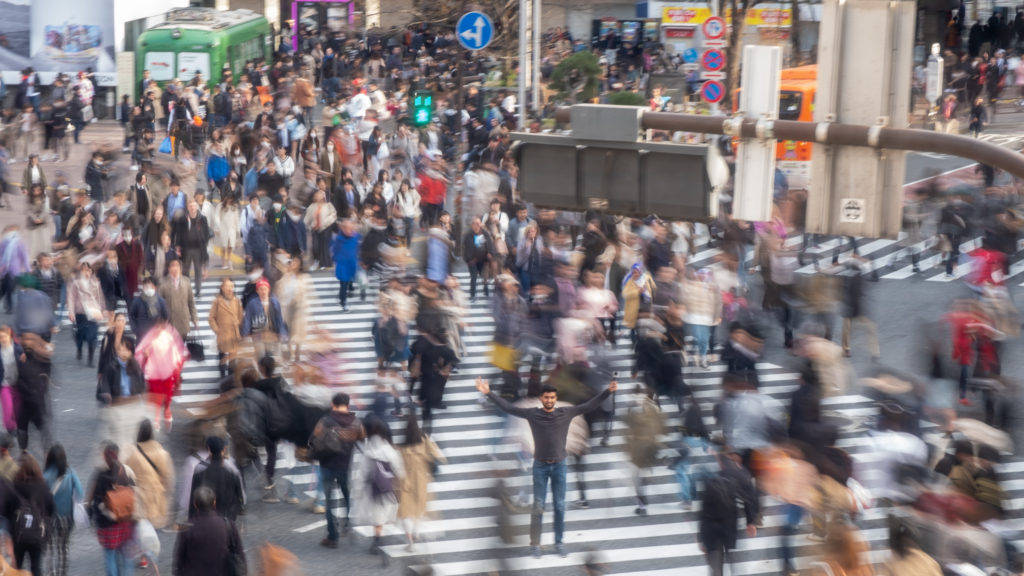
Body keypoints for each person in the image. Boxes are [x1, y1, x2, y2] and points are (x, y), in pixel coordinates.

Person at [474, 376, 617, 557]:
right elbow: (509, 408)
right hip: (540, 466)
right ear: (542, 398)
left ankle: (559, 543)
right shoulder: (533, 414)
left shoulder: (565, 412)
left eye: (552, 397)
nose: (549, 400)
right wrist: (488, 393)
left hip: (559, 466)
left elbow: (588, 406)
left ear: (555, 399)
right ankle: (535, 544)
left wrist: (608, 392)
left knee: (559, 506)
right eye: (546, 397)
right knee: (539, 506)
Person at [308, 392, 365, 549]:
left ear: (333, 404)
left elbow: (313, 438)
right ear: (348, 405)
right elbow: (362, 440)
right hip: (345, 466)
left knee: (329, 502)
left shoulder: (325, 421)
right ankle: (347, 524)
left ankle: (333, 537)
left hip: (327, 465)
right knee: (347, 496)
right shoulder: (356, 422)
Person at [698, 447, 760, 576]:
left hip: (712, 529)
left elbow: (703, 512)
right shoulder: (742, 474)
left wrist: (701, 539)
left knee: (715, 565)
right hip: (730, 524)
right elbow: (750, 500)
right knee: (733, 560)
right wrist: (750, 522)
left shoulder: (710, 480)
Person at [353, 416, 404, 555]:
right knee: (386, 511)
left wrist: (358, 490)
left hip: (374, 488)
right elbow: (399, 469)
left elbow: (363, 472)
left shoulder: (369, 452)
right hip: (389, 487)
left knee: (377, 515)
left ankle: (377, 539)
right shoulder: (389, 449)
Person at [396, 413, 445, 552]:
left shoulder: (401, 445)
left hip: (405, 481)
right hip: (422, 480)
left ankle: (410, 540)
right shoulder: (424, 439)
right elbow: (438, 455)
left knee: (405, 511)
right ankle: (416, 532)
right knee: (419, 509)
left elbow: (397, 464)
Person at [174, 485, 246, 576]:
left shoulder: (186, 528)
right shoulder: (228, 525)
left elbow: (179, 560)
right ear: (214, 503)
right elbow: (240, 554)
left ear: (195, 505)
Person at [88, 442, 136, 576]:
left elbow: (95, 500)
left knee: (110, 557)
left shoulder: (100, 475)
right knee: (127, 557)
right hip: (125, 521)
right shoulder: (125, 470)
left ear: (105, 457)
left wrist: (92, 517)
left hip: (108, 524)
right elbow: (133, 492)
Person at [8, 454, 53, 576]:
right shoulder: (43, 486)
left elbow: (8, 509)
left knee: (17, 567)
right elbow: (51, 508)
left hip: (18, 534)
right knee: (36, 566)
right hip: (37, 532)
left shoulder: (14, 486)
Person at [124, 420, 174, 530]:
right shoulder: (162, 453)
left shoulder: (132, 453)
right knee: (151, 535)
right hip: (157, 499)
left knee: (139, 533)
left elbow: (126, 475)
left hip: (139, 500)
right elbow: (168, 478)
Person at [43, 444, 84, 576]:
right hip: (67, 518)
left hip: (50, 519)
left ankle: (52, 573)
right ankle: (62, 573)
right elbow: (81, 493)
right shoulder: (71, 472)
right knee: (63, 548)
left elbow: (41, 497)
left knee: (50, 549)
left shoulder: (46, 475)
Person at [189, 436, 244, 522]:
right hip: (228, 520)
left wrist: (191, 520)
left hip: (206, 519)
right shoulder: (232, 471)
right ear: (224, 450)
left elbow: (193, 499)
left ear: (209, 450)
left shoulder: (200, 471)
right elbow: (241, 497)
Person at [241, 277, 288, 360]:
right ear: (257, 291)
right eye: (261, 289)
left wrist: (282, 332)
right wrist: (245, 332)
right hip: (257, 334)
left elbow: (279, 318)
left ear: (268, 289)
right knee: (261, 354)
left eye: (265, 289)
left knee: (270, 355)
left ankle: (268, 371)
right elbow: (248, 319)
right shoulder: (252, 303)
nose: (263, 291)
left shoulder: (274, 302)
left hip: (271, 333)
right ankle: (260, 369)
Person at [208, 278, 244, 378]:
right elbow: (211, 318)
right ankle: (223, 377)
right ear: (222, 288)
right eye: (227, 286)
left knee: (233, 359)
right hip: (222, 333)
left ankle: (231, 379)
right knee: (222, 357)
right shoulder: (217, 302)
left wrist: (239, 326)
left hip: (234, 333)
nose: (230, 288)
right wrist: (217, 330)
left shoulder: (237, 301)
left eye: (232, 286)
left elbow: (241, 317)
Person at [158, 259, 197, 341]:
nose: (175, 268)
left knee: (182, 345)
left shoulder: (186, 281)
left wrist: (194, 318)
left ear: (180, 268)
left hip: (183, 320)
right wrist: (160, 321)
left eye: (177, 266)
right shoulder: (163, 283)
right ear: (169, 269)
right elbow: (158, 304)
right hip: (169, 321)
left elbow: (191, 301)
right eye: (173, 266)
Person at [331, 219, 360, 312]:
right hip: (343, 266)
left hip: (351, 264)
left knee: (347, 282)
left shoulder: (356, 237)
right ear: (343, 229)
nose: (350, 231)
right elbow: (334, 251)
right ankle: (343, 302)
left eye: (351, 229)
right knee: (343, 285)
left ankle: (346, 291)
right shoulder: (339, 240)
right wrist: (335, 261)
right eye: (348, 229)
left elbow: (359, 248)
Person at [128, 276, 169, 341]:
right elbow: (131, 315)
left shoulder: (161, 301)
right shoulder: (137, 301)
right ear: (143, 288)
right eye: (146, 286)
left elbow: (166, 317)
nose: (148, 288)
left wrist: (161, 328)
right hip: (142, 335)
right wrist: (136, 329)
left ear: (155, 288)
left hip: (156, 335)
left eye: (150, 286)